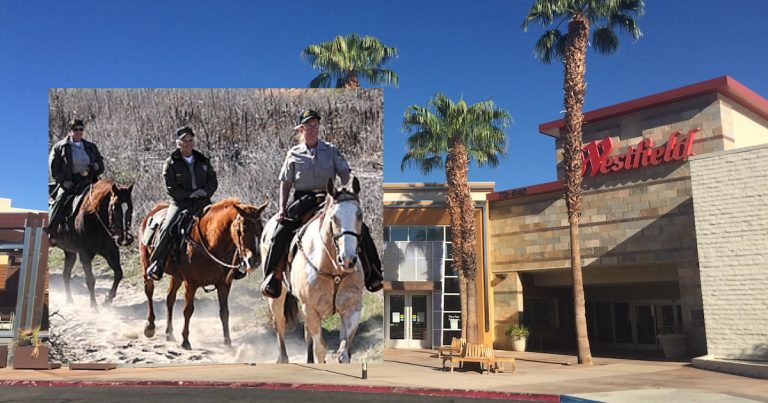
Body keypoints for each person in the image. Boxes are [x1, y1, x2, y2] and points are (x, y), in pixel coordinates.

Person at [261, 109, 384, 298]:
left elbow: (345, 173)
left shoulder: (331, 150)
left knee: (362, 229)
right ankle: (273, 277)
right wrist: (282, 209)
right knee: (281, 231)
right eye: (308, 126)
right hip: (303, 200)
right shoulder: (293, 154)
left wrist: (347, 187)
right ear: (301, 129)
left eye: (315, 125)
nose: (313, 129)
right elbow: (285, 183)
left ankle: (374, 273)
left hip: (330, 200)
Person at [146, 126, 220, 281]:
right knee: (168, 226)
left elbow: (213, 181)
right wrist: (189, 194)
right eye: (184, 141)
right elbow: (171, 187)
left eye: (190, 140)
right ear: (178, 143)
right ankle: (156, 262)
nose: (188, 143)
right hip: (180, 203)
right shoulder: (171, 163)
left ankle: (232, 262)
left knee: (223, 223)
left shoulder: (203, 160)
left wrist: (205, 192)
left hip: (203, 202)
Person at [48, 119, 104, 243]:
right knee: (60, 199)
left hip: (90, 180)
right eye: (75, 129)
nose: (78, 132)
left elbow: (100, 163)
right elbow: (54, 168)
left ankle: (111, 232)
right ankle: (51, 231)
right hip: (70, 181)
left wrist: (97, 166)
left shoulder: (90, 146)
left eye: (81, 129)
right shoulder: (60, 147)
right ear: (70, 131)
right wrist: (63, 181)